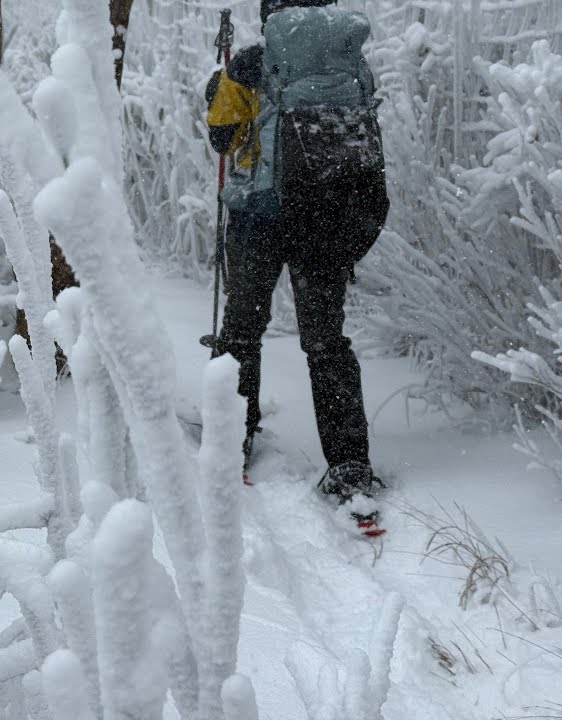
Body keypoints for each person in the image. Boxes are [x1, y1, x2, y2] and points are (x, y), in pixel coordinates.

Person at [205, 0, 390, 511]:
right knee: (326, 339)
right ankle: (349, 463)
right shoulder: (350, 62)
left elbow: (222, 138)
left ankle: (231, 441)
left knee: (242, 328)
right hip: (325, 215)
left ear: (270, 15)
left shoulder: (248, 63)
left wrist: (219, 89)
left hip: (259, 216)